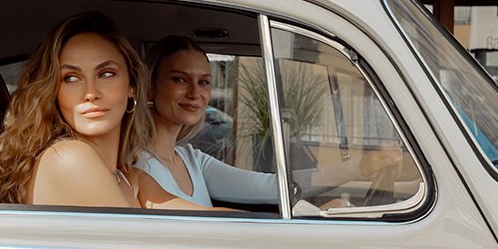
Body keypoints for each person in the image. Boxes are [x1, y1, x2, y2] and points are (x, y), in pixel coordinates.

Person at [136, 35, 403, 210]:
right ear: (150, 87)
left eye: (204, 82)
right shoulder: (136, 163)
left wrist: (360, 167)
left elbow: (272, 187)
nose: (195, 93)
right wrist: (306, 216)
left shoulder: (192, 160)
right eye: (179, 79)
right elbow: (201, 223)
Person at [0, 12, 221, 210]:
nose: (90, 92)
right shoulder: (68, 158)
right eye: (71, 78)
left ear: (131, 85)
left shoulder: (126, 175)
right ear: (54, 92)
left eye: (106, 74)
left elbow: (208, 223)